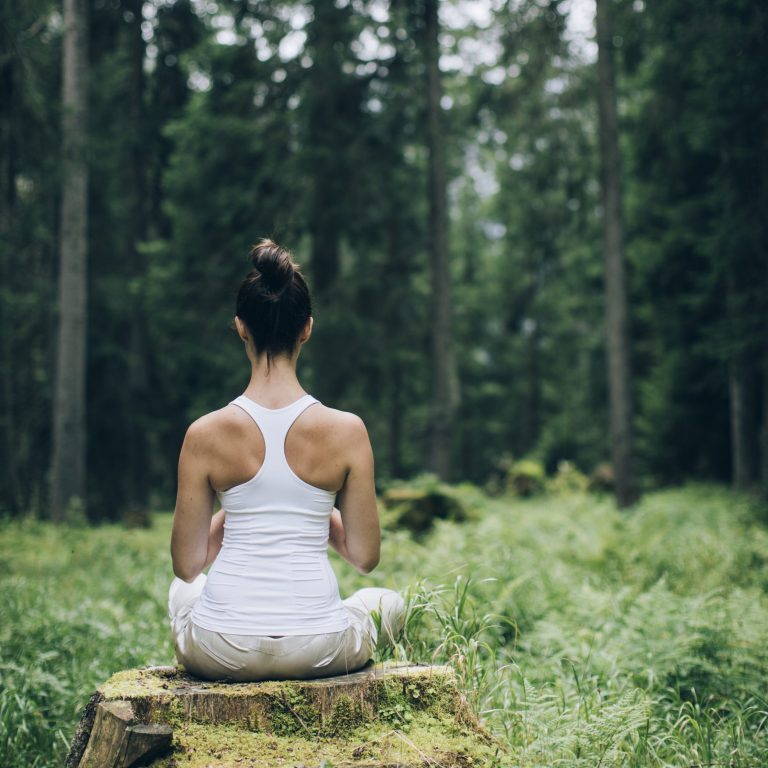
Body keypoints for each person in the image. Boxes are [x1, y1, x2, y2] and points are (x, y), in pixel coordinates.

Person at [167, 239, 405, 682]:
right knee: (389, 602)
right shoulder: (347, 430)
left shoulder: (204, 434)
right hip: (318, 647)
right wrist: (312, 510)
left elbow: (187, 565)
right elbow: (365, 556)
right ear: (307, 328)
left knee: (183, 592)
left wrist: (239, 509)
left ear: (241, 327)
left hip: (221, 648)